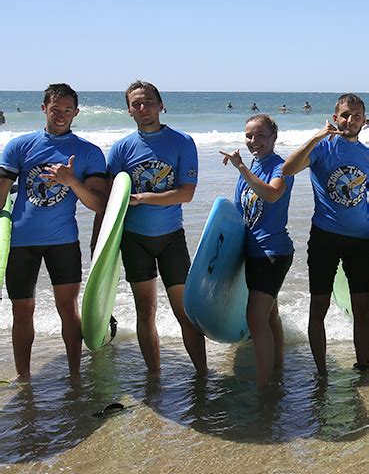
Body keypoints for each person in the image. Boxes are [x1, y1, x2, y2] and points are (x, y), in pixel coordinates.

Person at [92, 79, 207, 376]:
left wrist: (142, 198)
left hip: (171, 239)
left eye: (148, 102)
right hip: (134, 240)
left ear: (161, 104)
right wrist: (98, 247)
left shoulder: (182, 142)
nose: (143, 108)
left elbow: (186, 193)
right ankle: (154, 375)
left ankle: (203, 374)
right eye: (136, 104)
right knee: (146, 311)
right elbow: (111, 200)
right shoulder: (121, 149)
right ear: (129, 110)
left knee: (185, 313)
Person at [0, 83, 107, 380]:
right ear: (44, 108)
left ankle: (75, 374)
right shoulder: (19, 146)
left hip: (63, 242)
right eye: (55, 109)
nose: (61, 115)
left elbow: (99, 205)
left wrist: (72, 181)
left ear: (76, 112)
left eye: (67, 110)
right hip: (21, 242)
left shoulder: (89, 152)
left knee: (67, 309)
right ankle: (24, 378)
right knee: (21, 312)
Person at [282, 93, 369, 376]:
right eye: (345, 114)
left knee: (363, 309)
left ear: (364, 121)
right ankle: (321, 371)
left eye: (356, 115)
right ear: (335, 118)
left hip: (361, 240)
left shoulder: (366, 156)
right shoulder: (322, 148)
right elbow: (288, 169)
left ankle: (364, 367)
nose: (350, 120)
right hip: (325, 237)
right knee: (318, 305)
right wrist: (316, 138)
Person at [220, 114, 294, 387]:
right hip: (253, 253)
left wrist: (242, 169)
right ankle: (277, 369)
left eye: (261, 135)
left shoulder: (281, 167)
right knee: (269, 314)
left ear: (274, 137)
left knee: (255, 318)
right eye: (249, 136)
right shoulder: (251, 166)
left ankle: (265, 388)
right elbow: (240, 216)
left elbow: (272, 194)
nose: (254, 141)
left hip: (272, 252)